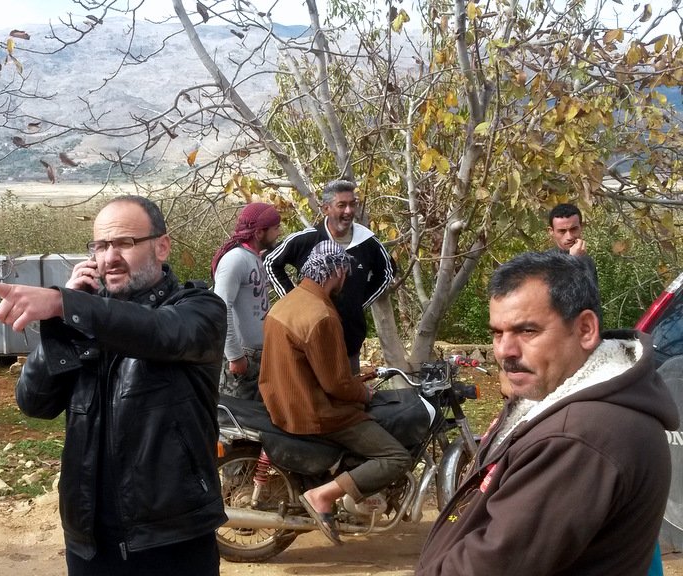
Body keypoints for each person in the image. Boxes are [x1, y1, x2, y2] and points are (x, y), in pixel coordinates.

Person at [0, 195, 227, 576]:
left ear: (161, 246)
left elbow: (157, 333)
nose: (109, 256)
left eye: (125, 243)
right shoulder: (86, 316)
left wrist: (66, 305)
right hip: (90, 541)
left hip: (172, 538)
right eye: (101, 245)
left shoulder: (199, 309)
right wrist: (65, 319)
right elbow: (34, 402)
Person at [416, 251, 679, 575]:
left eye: (527, 331)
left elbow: (492, 565)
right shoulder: (558, 401)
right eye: (497, 333)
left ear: (585, 329)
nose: (505, 351)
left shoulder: (579, 438)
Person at [258, 240, 411, 545]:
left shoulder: (286, 303)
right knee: (396, 457)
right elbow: (336, 385)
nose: (347, 279)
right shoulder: (322, 316)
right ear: (338, 270)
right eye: (347, 272)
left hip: (282, 403)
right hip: (316, 412)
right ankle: (323, 495)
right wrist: (365, 393)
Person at [265, 179, 393, 374]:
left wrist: (358, 302)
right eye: (342, 205)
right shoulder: (307, 239)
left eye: (353, 204)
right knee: (310, 396)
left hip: (348, 339)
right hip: (308, 339)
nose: (349, 211)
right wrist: (293, 301)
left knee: (349, 395)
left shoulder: (368, 242)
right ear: (326, 208)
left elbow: (387, 272)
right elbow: (271, 262)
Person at [211, 202, 281, 400]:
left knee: (259, 420)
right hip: (243, 358)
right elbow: (221, 308)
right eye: (275, 228)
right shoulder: (235, 260)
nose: (278, 233)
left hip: (260, 357)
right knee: (238, 420)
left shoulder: (254, 258)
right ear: (259, 232)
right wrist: (235, 355)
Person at [546, 202, 599, 292]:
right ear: (551, 231)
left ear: (581, 227)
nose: (569, 237)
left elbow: (592, 297)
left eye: (574, 229)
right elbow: (559, 296)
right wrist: (573, 261)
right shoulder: (544, 262)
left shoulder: (587, 261)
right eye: (562, 231)